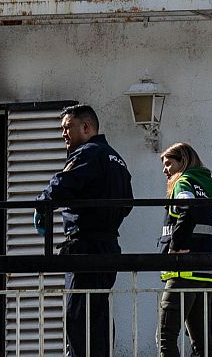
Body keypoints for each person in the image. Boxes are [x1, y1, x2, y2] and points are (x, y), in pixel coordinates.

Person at [36, 104, 133, 357]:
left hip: (85, 246)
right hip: (108, 246)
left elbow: (62, 185)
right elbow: (127, 204)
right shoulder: (117, 159)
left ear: (86, 127)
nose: (63, 134)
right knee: (98, 313)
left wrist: (42, 204)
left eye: (67, 127)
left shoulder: (88, 154)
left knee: (78, 315)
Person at [156, 143, 212, 357]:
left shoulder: (183, 183)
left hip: (182, 273)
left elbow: (188, 207)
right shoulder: (205, 189)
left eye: (169, 164)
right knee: (202, 344)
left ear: (182, 162)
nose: (165, 170)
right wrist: (206, 244)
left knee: (165, 338)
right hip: (204, 273)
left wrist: (176, 246)